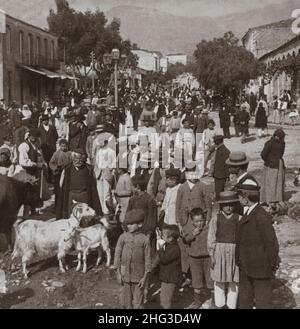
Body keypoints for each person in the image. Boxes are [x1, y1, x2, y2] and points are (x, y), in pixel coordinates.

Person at [235, 180, 279, 309]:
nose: (238, 199)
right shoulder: (249, 212)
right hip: (246, 266)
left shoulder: (261, 216)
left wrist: (270, 266)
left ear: (246, 197)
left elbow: (271, 244)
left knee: (262, 302)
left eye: (239, 196)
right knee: (244, 301)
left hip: (260, 269)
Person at [207, 191, 241, 309]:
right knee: (219, 279)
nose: (228, 207)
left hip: (234, 251)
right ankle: (220, 304)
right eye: (225, 205)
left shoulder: (239, 218)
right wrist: (212, 255)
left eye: (231, 205)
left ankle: (231, 305)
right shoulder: (216, 219)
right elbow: (211, 237)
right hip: (219, 251)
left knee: (234, 280)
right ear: (221, 205)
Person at [113, 209, 151, 309]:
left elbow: (148, 259)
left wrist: (145, 278)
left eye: (131, 224)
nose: (128, 226)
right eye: (127, 224)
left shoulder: (145, 239)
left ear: (140, 224)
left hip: (139, 276)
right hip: (125, 275)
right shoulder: (123, 237)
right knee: (126, 301)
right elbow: (117, 255)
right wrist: (118, 273)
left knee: (138, 302)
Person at [56, 148, 101, 219]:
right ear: (72, 158)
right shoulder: (67, 168)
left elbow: (94, 184)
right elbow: (61, 184)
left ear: (83, 159)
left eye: (80, 159)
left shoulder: (89, 169)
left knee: (85, 217)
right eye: (76, 159)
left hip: (84, 196)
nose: (78, 161)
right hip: (72, 196)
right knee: (72, 217)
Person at [183, 208, 213, 309]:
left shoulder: (209, 228)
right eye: (196, 221)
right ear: (192, 221)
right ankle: (197, 301)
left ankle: (213, 299)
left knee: (210, 279)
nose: (199, 223)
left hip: (208, 257)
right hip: (194, 258)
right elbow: (185, 239)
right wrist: (193, 234)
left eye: (201, 221)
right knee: (196, 280)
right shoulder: (189, 229)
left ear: (205, 220)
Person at [152, 224, 181, 309]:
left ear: (170, 238)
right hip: (167, 277)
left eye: (163, 235)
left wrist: (160, 248)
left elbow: (164, 259)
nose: (162, 237)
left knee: (165, 300)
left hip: (170, 278)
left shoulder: (175, 249)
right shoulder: (170, 245)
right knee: (164, 296)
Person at [260, 129, 286, 213]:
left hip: (272, 164)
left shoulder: (270, 143)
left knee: (271, 182)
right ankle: (276, 199)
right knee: (276, 182)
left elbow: (263, 154)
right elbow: (264, 154)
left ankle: (271, 199)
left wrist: (268, 160)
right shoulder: (280, 143)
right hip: (277, 163)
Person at [94, 138, 116, 215]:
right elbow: (96, 162)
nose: (100, 144)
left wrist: (109, 169)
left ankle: (107, 210)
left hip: (107, 173)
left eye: (101, 142)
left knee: (107, 193)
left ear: (106, 142)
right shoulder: (99, 152)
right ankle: (101, 210)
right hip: (99, 173)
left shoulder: (111, 152)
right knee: (100, 192)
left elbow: (114, 163)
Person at [49, 139, 72, 209]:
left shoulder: (70, 153)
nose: (64, 148)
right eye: (62, 146)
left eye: (65, 146)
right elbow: (51, 163)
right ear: (59, 146)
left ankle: (66, 206)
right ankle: (57, 206)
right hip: (58, 173)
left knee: (66, 190)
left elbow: (72, 162)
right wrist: (55, 168)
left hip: (67, 173)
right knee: (58, 190)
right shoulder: (56, 153)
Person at [38, 114, 59, 182]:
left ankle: (51, 177)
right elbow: (38, 138)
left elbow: (56, 136)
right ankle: (46, 178)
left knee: (52, 162)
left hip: (51, 148)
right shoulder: (40, 128)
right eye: (43, 120)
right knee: (45, 162)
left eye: (46, 120)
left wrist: (52, 143)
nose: (45, 121)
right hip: (44, 148)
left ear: (48, 120)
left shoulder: (52, 127)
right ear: (42, 121)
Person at [212, 135, 230, 200]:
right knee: (218, 191)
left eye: (214, 142)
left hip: (221, 175)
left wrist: (228, 175)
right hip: (218, 174)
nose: (214, 143)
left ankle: (220, 204)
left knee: (219, 192)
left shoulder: (225, 151)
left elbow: (227, 164)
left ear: (217, 142)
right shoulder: (221, 149)